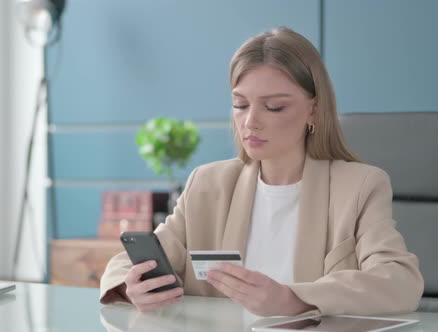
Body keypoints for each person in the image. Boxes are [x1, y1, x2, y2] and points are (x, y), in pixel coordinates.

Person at [99, 27, 424, 317]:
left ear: (314, 108)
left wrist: (294, 299)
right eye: (240, 105)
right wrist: (131, 288)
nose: (250, 121)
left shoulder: (359, 186)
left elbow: (400, 282)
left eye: (274, 106)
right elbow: (125, 265)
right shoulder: (207, 184)